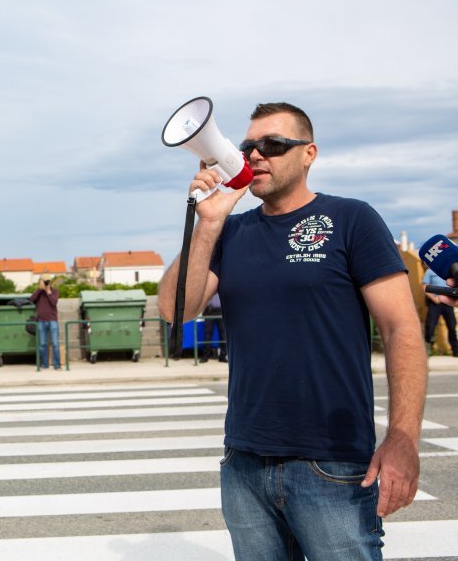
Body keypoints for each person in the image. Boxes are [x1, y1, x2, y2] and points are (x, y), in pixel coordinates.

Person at [158, 102, 427, 560]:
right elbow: (175, 310)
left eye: (275, 145)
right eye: (247, 147)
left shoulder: (351, 220)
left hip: (333, 461)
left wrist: (403, 439)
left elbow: (401, 328)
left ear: (309, 154)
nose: (257, 154)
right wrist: (208, 224)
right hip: (244, 460)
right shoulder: (230, 231)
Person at [422, 266, 458, 356]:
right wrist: (435, 298)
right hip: (435, 303)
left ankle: (455, 351)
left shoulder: (448, 271)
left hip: (447, 302)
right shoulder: (429, 272)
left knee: (452, 326)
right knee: (430, 326)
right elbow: (424, 287)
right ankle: (428, 349)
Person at [29, 273, 61, 370]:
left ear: (50, 282)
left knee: (55, 343)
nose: (46, 283)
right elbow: (31, 299)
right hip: (41, 321)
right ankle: (45, 364)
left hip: (52, 320)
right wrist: (40, 289)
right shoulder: (39, 292)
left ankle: (57, 365)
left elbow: (54, 302)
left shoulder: (55, 291)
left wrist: (48, 291)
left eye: (47, 281)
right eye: (44, 281)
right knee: (42, 344)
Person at [199, 293, 226, 363]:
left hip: (220, 310)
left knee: (223, 333)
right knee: (207, 334)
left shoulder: (222, 283)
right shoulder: (207, 282)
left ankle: (223, 356)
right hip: (209, 310)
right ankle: (205, 356)